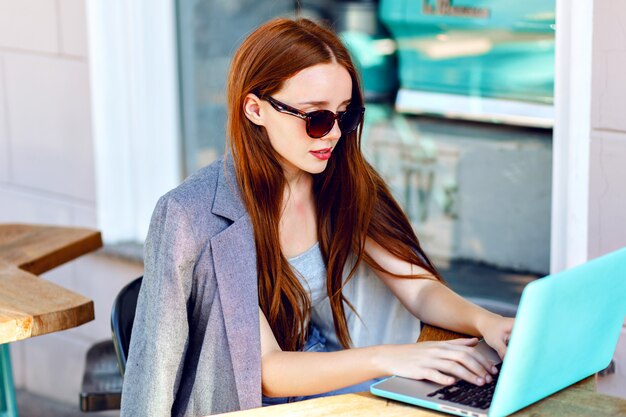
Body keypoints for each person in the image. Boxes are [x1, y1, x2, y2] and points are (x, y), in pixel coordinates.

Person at [121, 17, 514, 417]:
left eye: (345, 115)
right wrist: (392, 359)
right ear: (255, 109)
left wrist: (488, 322)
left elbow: (417, 287)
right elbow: (265, 370)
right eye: (317, 117)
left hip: (341, 386)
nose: (334, 135)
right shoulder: (192, 214)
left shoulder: (340, 181)